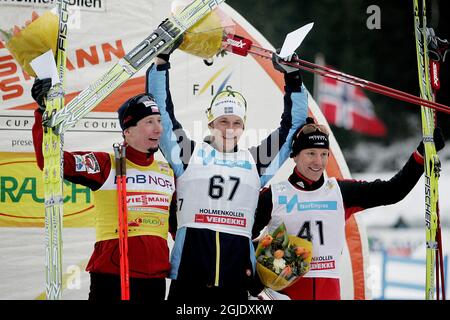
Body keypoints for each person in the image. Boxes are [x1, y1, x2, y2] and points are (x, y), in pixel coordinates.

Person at [145, 49, 308, 301]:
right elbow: (163, 116)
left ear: (243, 126)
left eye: (236, 123)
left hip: (236, 281)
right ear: (210, 123)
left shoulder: (256, 161)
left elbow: (292, 127)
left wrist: (293, 77)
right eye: (223, 121)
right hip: (190, 279)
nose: (229, 129)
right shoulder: (188, 154)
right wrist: (161, 62)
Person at [251, 117, 445, 300]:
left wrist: (421, 155)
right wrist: (255, 273)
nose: (318, 162)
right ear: (294, 155)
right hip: (284, 295)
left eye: (324, 154)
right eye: (311, 153)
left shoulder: (340, 192)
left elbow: (392, 191)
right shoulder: (274, 195)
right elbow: (242, 237)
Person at [31, 79, 177, 301]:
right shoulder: (106, 164)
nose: (158, 128)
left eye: (159, 120)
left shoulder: (168, 171)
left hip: (154, 281)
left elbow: (177, 226)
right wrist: (43, 112)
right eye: (149, 122)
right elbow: (51, 161)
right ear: (127, 131)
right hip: (113, 278)